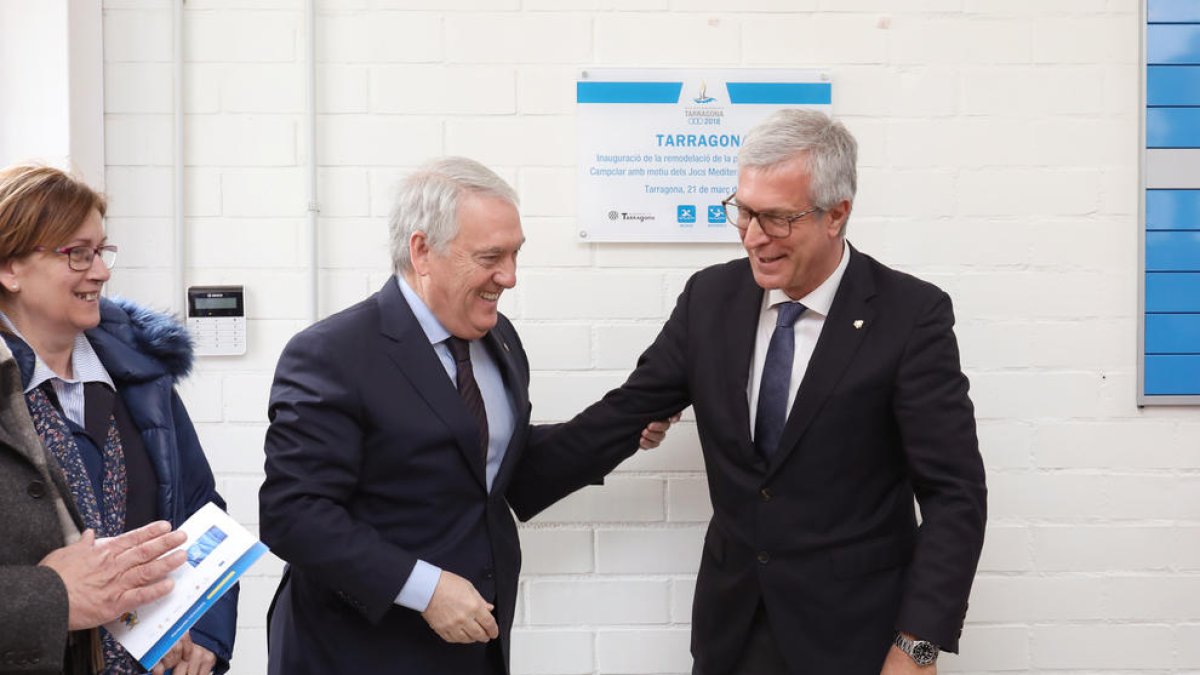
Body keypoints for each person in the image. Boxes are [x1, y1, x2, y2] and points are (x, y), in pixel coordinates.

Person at [512, 109, 988, 674]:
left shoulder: (910, 316)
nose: (754, 237)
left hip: (857, 636)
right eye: (743, 211)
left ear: (837, 215)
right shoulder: (709, 298)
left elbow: (954, 494)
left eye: (777, 218)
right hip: (733, 629)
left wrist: (918, 645)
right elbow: (625, 413)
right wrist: (490, 480)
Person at [259, 157, 672, 675]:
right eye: (490, 257)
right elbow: (293, 514)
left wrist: (621, 433)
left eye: (516, 254)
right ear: (422, 251)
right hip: (356, 651)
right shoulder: (333, 353)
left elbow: (495, 469)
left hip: (472, 650)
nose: (511, 277)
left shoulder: (499, 339)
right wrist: (427, 590)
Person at [0, 165, 238, 675]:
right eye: (76, 253)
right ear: (9, 269)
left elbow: (200, 515)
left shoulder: (141, 379)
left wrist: (204, 631)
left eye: (101, 251)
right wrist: (51, 596)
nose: (101, 272)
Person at [1, 336, 190, 675]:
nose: (102, 278)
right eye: (73, 275)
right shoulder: (14, 393)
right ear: (10, 278)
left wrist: (200, 624)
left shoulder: (136, 365)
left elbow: (196, 500)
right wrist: (49, 596)